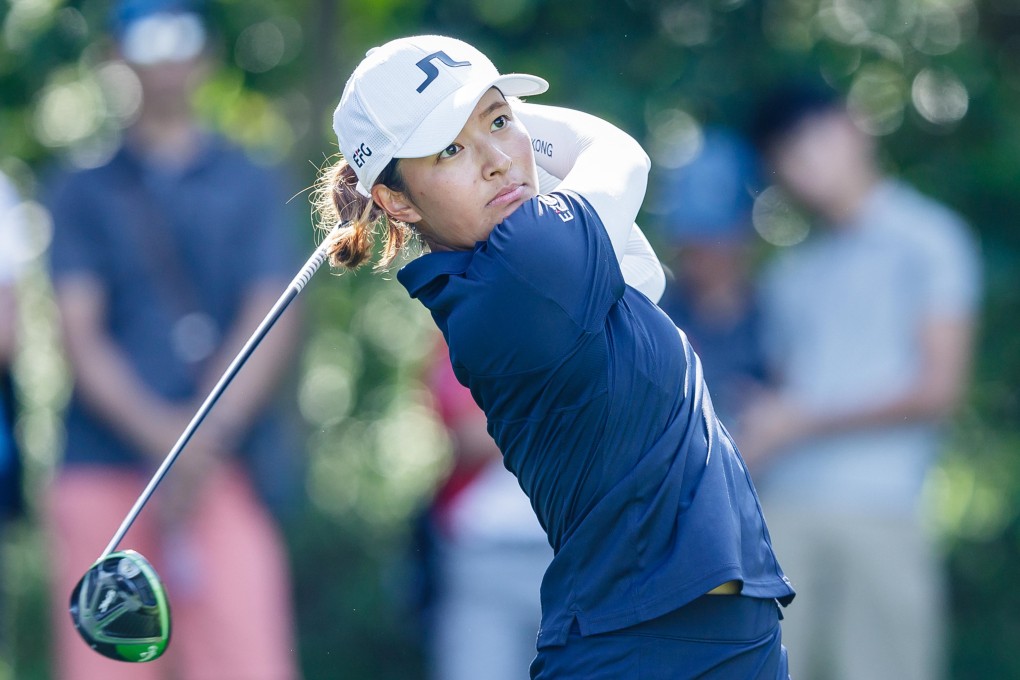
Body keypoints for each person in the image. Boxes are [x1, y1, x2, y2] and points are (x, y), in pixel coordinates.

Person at [314, 34, 795, 679]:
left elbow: (639, 274)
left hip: (702, 634)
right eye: (450, 150)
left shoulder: (517, 268)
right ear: (396, 201)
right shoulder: (532, 265)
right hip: (646, 647)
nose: (495, 160)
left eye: (499, 122)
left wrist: (460, 122)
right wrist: (496, 114)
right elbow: (617, 152)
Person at [44, 3, 302, 679]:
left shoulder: (250, 179)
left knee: (248, 661)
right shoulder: (80, 190)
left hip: (225, 471)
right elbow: (80, 336)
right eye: (145, 37)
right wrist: (172, 444)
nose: (164, 57)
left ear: (207, 53)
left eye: (178, 35)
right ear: (116, 54)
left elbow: (271, 317)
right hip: (104, 473)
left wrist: (200, 442)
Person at [741, 81, 982, 680]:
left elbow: (939, 390)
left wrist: (803, 420)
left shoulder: (931, 240)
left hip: (882, 512)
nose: (804, 167)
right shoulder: (791, 273)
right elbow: (780, 398)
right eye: (785, 158)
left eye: (811, 141)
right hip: (784, 514)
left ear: (851, 126)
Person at [416, 337, 551, 680]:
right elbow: (471, 432)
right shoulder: (461, 330)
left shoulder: (605, 314)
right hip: (482, 557)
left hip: (574, 555)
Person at [655, 128, 770, 430]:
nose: (703, 255)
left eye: (713, 239)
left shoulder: (778, 315)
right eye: (692, 243)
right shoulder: (653, 316)